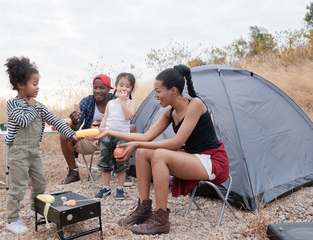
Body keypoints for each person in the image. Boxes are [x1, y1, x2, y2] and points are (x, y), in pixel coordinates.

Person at [93, 65, 229, 235]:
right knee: (143, 152)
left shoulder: (195, 104)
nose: (155, 96)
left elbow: (176, 143)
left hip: (211, 160)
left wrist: (137, 144)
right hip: (191, 158)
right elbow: (145, 137)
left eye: (158, 91)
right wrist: (108, 131)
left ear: (173, 90)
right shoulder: (169, 112)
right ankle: (144, 208)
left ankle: (160, 219)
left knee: (159, 154)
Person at [4, 56, 78, 234]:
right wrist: (31, 107)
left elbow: (55, 120)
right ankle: (12, 219)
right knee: (18, 186)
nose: (38, 88)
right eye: (34, 84)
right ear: (21, 84)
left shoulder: (39, 105)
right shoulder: (12, 104)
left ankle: (35, 209)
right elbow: (23, 121)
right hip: (18, 151)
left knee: (40, 183)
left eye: (38, 84)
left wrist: (73, 134)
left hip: (34, 151)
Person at [59, 74, 134, 186]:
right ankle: (73, 173)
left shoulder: (117, 101)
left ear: (109, 89)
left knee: (132, 128)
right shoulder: (87, 102)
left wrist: (123, 102)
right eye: (95, 87)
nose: (98, 91)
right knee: (64, 135)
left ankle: (123, 170)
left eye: (102, 88)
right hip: (92, 140)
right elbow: (77, 128)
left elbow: (128, 120)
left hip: (115, 140)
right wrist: (74, 122)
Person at [94, 73, 137, 200]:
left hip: (122, 137)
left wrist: (124, 101)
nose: (124, 88)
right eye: (121, 85)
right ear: (116, 86)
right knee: (104, 161)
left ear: (132, 89)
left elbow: (129, 116)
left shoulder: (131, 102)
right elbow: (105, 120)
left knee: (121, 163)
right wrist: (100, 135)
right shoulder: (111, 103)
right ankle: (106, 188)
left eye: (127, 86)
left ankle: (120, 189)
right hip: (107, 135)